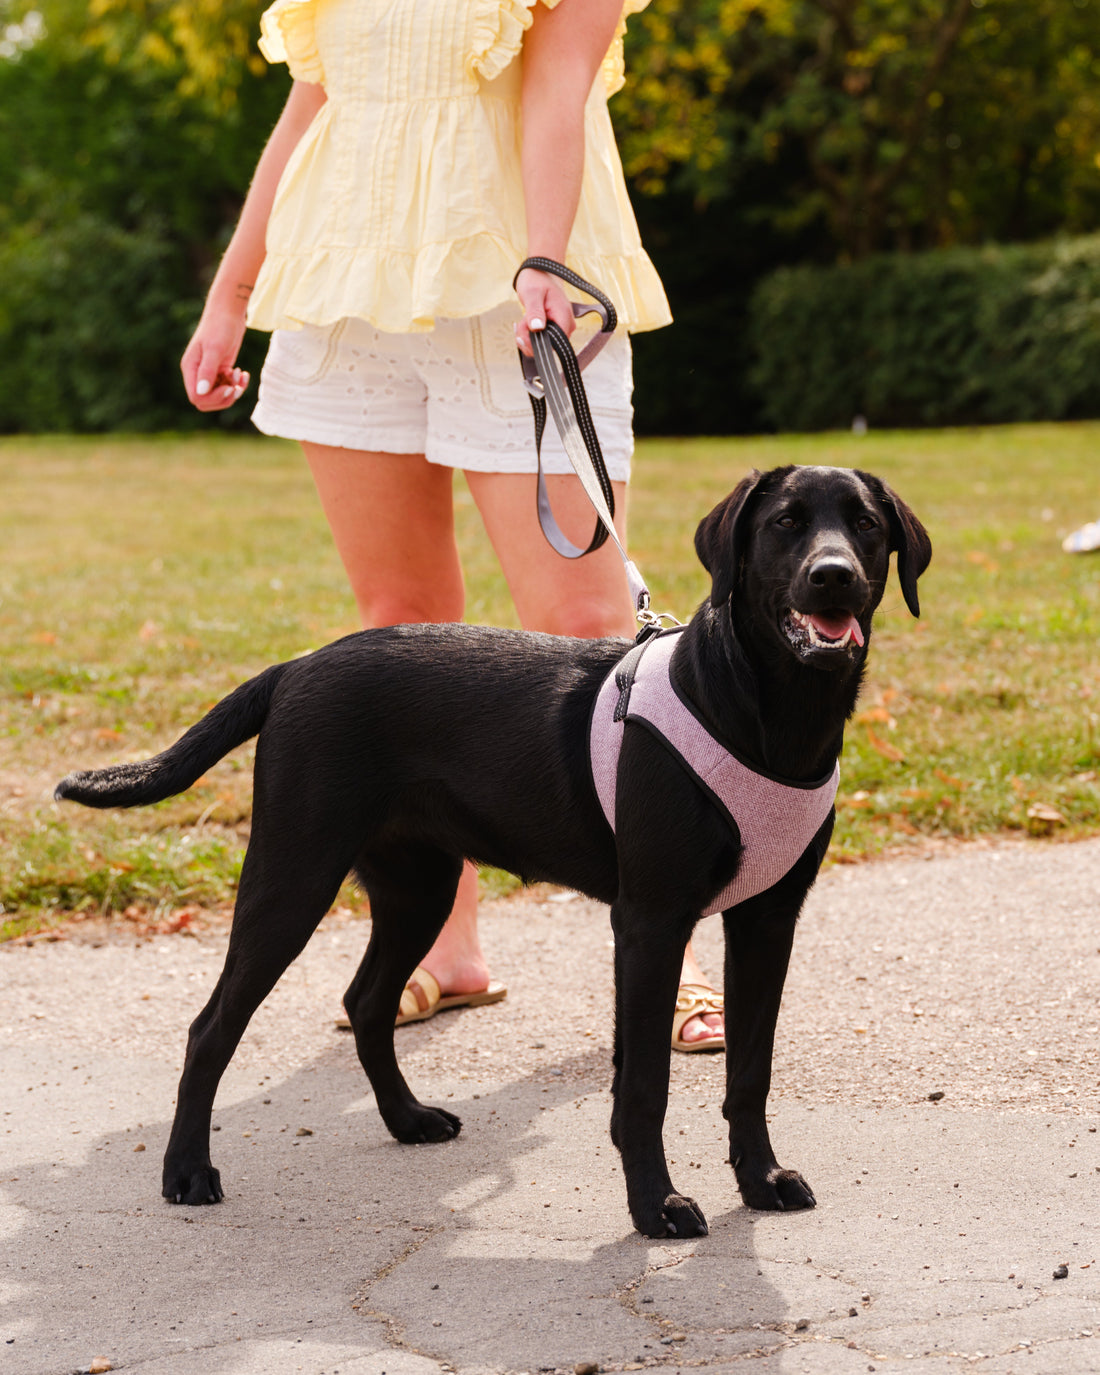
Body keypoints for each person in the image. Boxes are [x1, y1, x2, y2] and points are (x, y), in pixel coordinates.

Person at [179, 0, 724, 1052]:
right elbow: (309, 109)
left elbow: (558, 91)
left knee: (584, 625)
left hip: (515, 284)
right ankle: (442, 943)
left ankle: (672, 944)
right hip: (348, 280)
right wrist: (230, 292)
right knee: (400, 622)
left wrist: (546, 258)